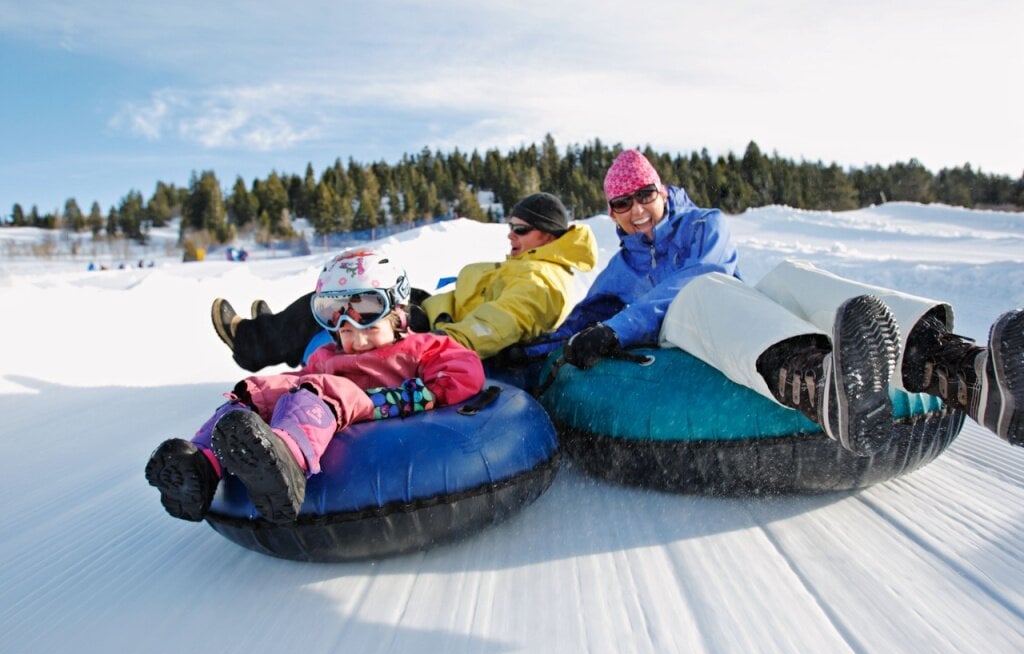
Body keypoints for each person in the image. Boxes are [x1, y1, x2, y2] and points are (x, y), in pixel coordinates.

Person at [523, 149, 1023, 454]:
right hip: (691, 331)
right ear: (610, 213)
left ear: (663, 191)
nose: (636, 211)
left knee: (789, 276)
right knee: (701, 294)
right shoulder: (619, 270)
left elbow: (706, 272)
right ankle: (820, 384)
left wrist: (620, 326)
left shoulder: (705, 224)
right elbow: (580, 325)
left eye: (643, 195)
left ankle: (966, 373)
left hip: (730, 311)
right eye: (621, 204)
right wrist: (540, 354)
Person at [145, 250, 486, 524]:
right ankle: (202, 464)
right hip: (322, 397)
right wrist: (262, 395)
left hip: (367, 403)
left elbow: (463, 371)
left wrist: (410, 397)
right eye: (335, 313)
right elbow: (301, 382)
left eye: (367, 309)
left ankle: (285, 462)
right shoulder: (328, 354)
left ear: (397, 312)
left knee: (317, 389)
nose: (353, 327)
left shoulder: (422, 346)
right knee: (260, 389)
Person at [210, 192, 598, 373]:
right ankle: (282, 330)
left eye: (520, 229)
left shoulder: (542, 280)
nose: (510, 235)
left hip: (441, 328)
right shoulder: (533, 262)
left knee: (350, 297)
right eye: (510, 227)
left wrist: (444, 343)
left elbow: (500, 322)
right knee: (357, 285)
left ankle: (252, 341)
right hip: (437, 308)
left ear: (548, 234)